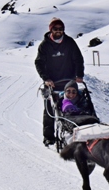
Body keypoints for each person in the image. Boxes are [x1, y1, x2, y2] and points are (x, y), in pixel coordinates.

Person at [35, 18, 85, 146]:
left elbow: (78, 59)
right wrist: (46, 78)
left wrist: (79, 75)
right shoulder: (45, 45)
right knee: (50, 110)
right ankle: (49, 137)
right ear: (51, 30)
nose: (58, 31)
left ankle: (82, 130)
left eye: (60, 29)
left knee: (78, 105)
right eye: (55, 29)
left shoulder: (69, 42)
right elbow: (39, 62)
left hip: (69, 80)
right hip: (52, 82)